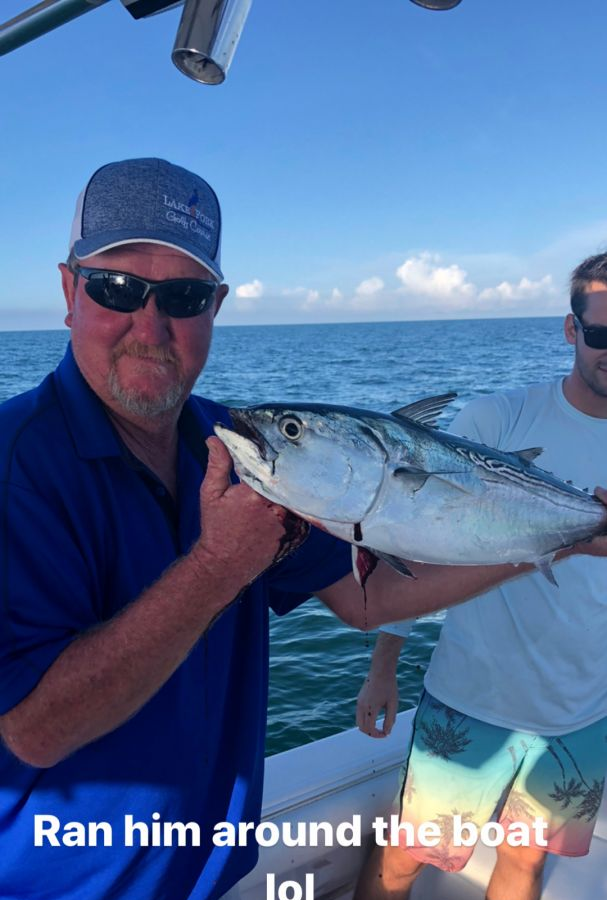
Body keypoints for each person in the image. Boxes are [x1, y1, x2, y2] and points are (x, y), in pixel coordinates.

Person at [0, 160, 604, 900]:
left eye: (185, 296)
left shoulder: (237, 448)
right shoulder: (13, 468)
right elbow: (35, 732)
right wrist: (217, 567)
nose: (150, 327)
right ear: (69, 292)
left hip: (207, 866)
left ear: (216, 306)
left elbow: (369, 599)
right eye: (116, 288)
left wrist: (559, 537)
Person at [354, 253, 607, 900]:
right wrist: (383, 668)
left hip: (584, 713)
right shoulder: (496, 420)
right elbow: (413, 547)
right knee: (405, 859)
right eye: (601, 332)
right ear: (570, 329)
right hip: (472, 697)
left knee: (525, 863)